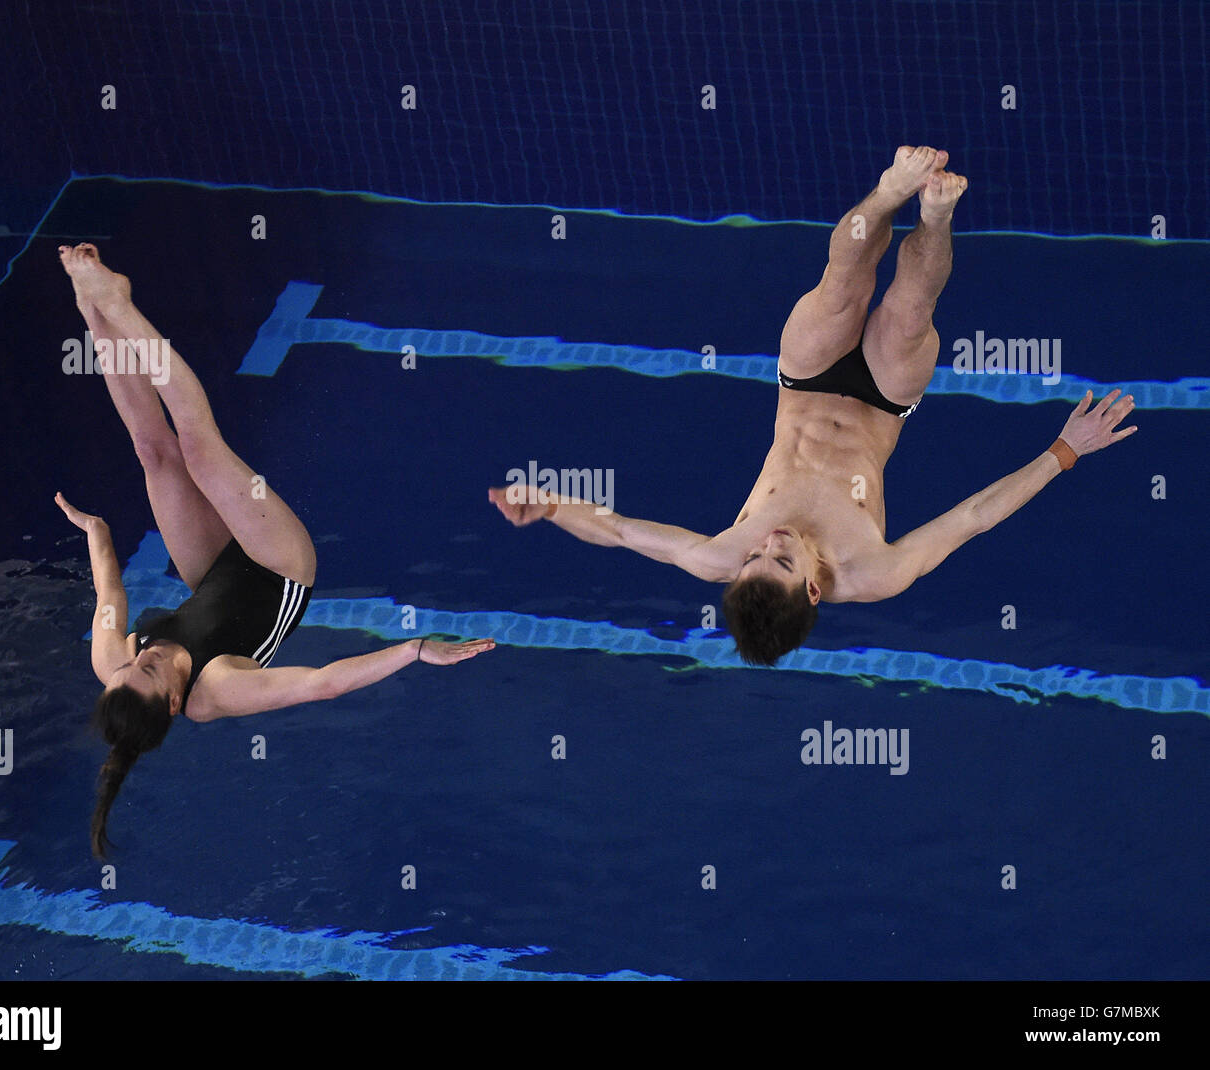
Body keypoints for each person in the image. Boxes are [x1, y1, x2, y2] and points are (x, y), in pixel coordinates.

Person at [489, 147, 1136, 665]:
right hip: (883, 401)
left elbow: (620, 530)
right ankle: (935, 214)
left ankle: (888, 191)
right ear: (814, 587)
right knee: (909, 314)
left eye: (753, 559)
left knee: (840, 288)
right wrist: (1065, 451)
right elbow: (973, 518)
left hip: (804, 384)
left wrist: (548, 505)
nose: (765, 544)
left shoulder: (717, 557)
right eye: (782, 559)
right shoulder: (876, 572)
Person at [55, 244, 494, 857]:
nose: (136, 657)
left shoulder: (117, 673)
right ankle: (120, 304)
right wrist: (414, 649)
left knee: (155, 454)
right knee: (201, 451)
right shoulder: (219, 693)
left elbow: (110, 595)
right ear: (177, 703)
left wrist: (98, 535)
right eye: (148, 668)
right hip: (278, 567)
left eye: (128, 665)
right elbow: (322, 685)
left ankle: (93, 311)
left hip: (210, 575)